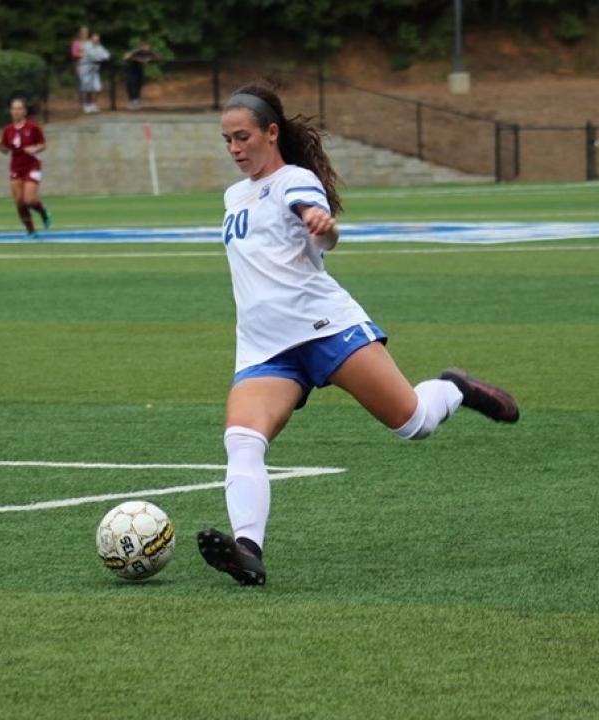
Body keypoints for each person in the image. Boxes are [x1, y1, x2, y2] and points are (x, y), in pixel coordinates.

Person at [198, 84, 520, 587]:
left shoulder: (294, 180)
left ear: (271, 133)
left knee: (413, 423)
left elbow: (321, 228)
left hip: (325, 328)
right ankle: (247, 550)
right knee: (242, 441)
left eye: (243, 137)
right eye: (227, 141)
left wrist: (322, 226)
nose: (235, 149)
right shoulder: (233, 195)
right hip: (264, 348)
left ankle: (456, 387)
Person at [0, 98, 51, 238]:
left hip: (32, 166)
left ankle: (42, 211)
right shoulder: (8, 130)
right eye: (14, 109)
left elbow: (43, 144)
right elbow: (6, 150)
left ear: (25, 111)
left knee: (29, 199)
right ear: (11, 111)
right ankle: (31, 231)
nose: (17, 111)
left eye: (20, 108)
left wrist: (35, 149)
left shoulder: (32, 127)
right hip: (16, 168)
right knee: (19, 202)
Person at [122, 40, 160, 110]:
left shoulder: (149, 52)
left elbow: (158, 56)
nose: (146, 48)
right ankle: (132, 101)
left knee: (138, 85)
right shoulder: (136, 51)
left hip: (138, 70)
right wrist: (137, 59)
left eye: (147, 47)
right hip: (130, 70)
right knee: (130, 85)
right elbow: (125, 57)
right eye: (144, 47)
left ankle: (136, 101)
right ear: (141, 47)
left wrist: (149, 59)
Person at [78, 33, 110, 114]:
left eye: (97, 40)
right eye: (94, 40)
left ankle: (93, 104)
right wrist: (101, 57)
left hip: (94, 71)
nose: (96, 41)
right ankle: (86, 105)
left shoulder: (100, 47)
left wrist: (101, 57)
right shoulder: (87, 46)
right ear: (91, 39)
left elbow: (107, 55)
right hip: (85, 70)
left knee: (97, 88)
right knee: (87, 89)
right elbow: (93, 56)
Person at [71, 26, 89, 112]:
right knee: (82, 84)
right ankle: (83, 103)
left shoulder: (89, 42)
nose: (85, 34)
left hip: (90, 66)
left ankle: (89, 102)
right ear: (80, 33)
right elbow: (74, 53)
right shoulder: (76, 43)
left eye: (86, 32)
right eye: (83, 32)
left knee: (90, 84)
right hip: (81, 65)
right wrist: (81, 54)